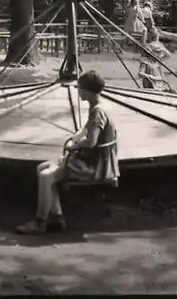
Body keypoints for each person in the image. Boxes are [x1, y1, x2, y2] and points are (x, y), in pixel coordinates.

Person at [17, 70, 119, 234]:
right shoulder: (101, 105)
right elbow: (88, 128)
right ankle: (57, 217)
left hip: (94, 165)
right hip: (99, 160)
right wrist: (77, 135)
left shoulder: (98, 112)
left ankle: (40, 222)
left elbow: (91, 141)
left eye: (79, 88)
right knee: (42, 168)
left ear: (87, 90)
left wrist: (73, 146)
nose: (78, 91)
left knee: (45, 176)